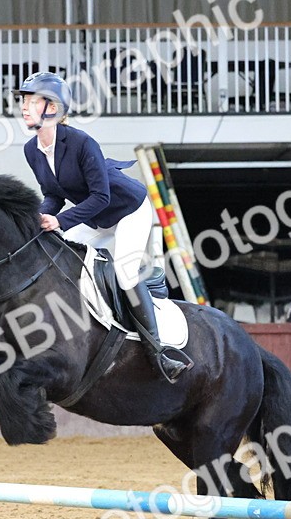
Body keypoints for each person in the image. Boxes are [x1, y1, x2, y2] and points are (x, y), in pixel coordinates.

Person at [17, 71, 191, 382]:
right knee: (56, 252)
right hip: (94, 218)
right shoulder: (31, 151)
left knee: (124, 272)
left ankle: (158, 352)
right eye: (24, 101)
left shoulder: (83, 143)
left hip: (128, 211)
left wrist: (60, 221)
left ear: (53, 109)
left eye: (32, 101)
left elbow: (101, 196)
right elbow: (53, 194)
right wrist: (40, 218)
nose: (24, 107)